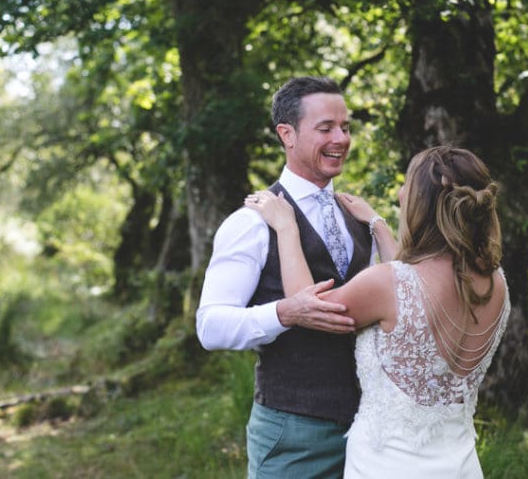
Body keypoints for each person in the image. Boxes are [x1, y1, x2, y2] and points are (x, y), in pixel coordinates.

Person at [244, 145, 510, 479]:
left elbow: (305, 304)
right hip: (460, 464)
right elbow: (417, 287)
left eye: (407, 185)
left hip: (386, 466)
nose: (400, 193)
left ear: (421, 203)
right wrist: (376, 223)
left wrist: (287, 228)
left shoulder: (387, 284)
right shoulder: (494, 283)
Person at [196, 76, 392, 478]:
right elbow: (210, 326)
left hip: (371, 433)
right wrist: (284, 313)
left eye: (346, 127)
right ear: (287, 134)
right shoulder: (250, 223)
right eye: (326, 128)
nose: (341, 138)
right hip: (293, 431)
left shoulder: (358, 216)